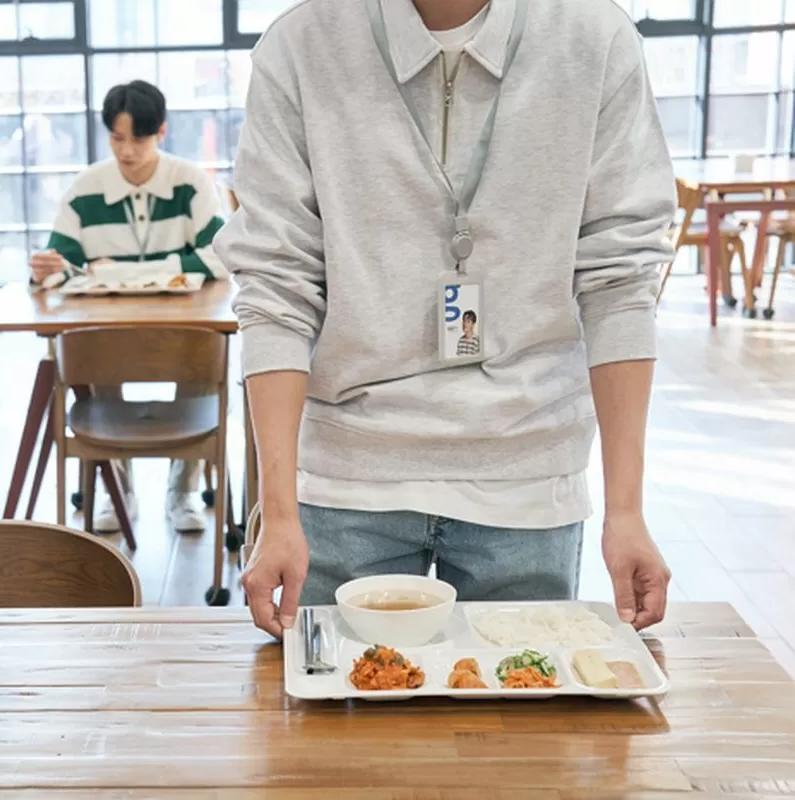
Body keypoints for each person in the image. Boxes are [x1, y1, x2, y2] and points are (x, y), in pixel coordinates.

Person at [215, 0, 675, 637]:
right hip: (344, 483)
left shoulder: (593, 37)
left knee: (517, 726)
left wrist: (626, 510)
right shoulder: (302, 44)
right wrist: (279, 511)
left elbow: (621, 281)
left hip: (528, 477)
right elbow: (275, 289)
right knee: (329, 732)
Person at [30, 80, 228, 534]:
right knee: (94, 369)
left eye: (138, 138)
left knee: (201, 370)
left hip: (186, 330)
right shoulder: (86, 188)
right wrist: (44, 269)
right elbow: (63, 267)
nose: (127, 151)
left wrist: (116, 272)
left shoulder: (189, 182)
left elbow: (219, 257)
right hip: (106, 332)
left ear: (161, 131)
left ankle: (183, 492)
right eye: (117, 138)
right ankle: (116, 494)